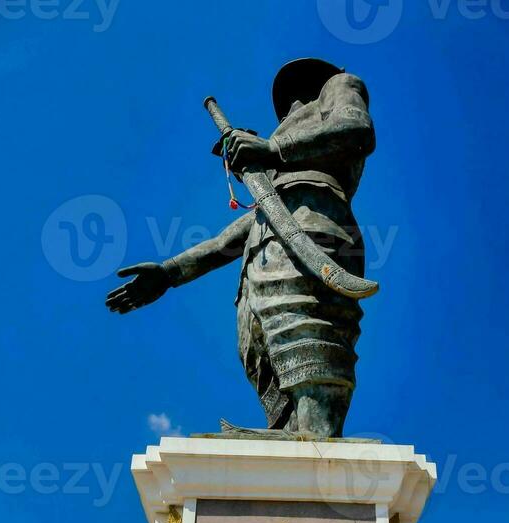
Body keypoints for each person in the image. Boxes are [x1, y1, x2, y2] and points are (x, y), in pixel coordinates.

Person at [106, 58, 376, 439]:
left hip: (316, 231)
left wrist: (272, 148)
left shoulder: (340, 86)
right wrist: (170, 272)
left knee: (309, 340)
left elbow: (357, 129)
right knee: (265, 347)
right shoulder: (280, 169)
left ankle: (316, 435)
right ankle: (290, 432)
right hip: (265, 250)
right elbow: (225, 241)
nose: (289, 109)